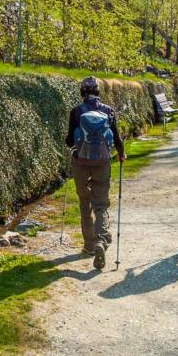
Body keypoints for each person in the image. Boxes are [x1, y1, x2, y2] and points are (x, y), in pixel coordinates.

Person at [65, 76, 126, 269]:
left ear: (82, 92)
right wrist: (122, 154)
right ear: (98, 91)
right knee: (101, 204)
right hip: (102, 161)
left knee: (85, 202)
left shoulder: (76, 112)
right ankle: (101, 240)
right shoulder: (108, 111)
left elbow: (69, 141)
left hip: (81, 162)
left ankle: (89, 245)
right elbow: (116, 136)